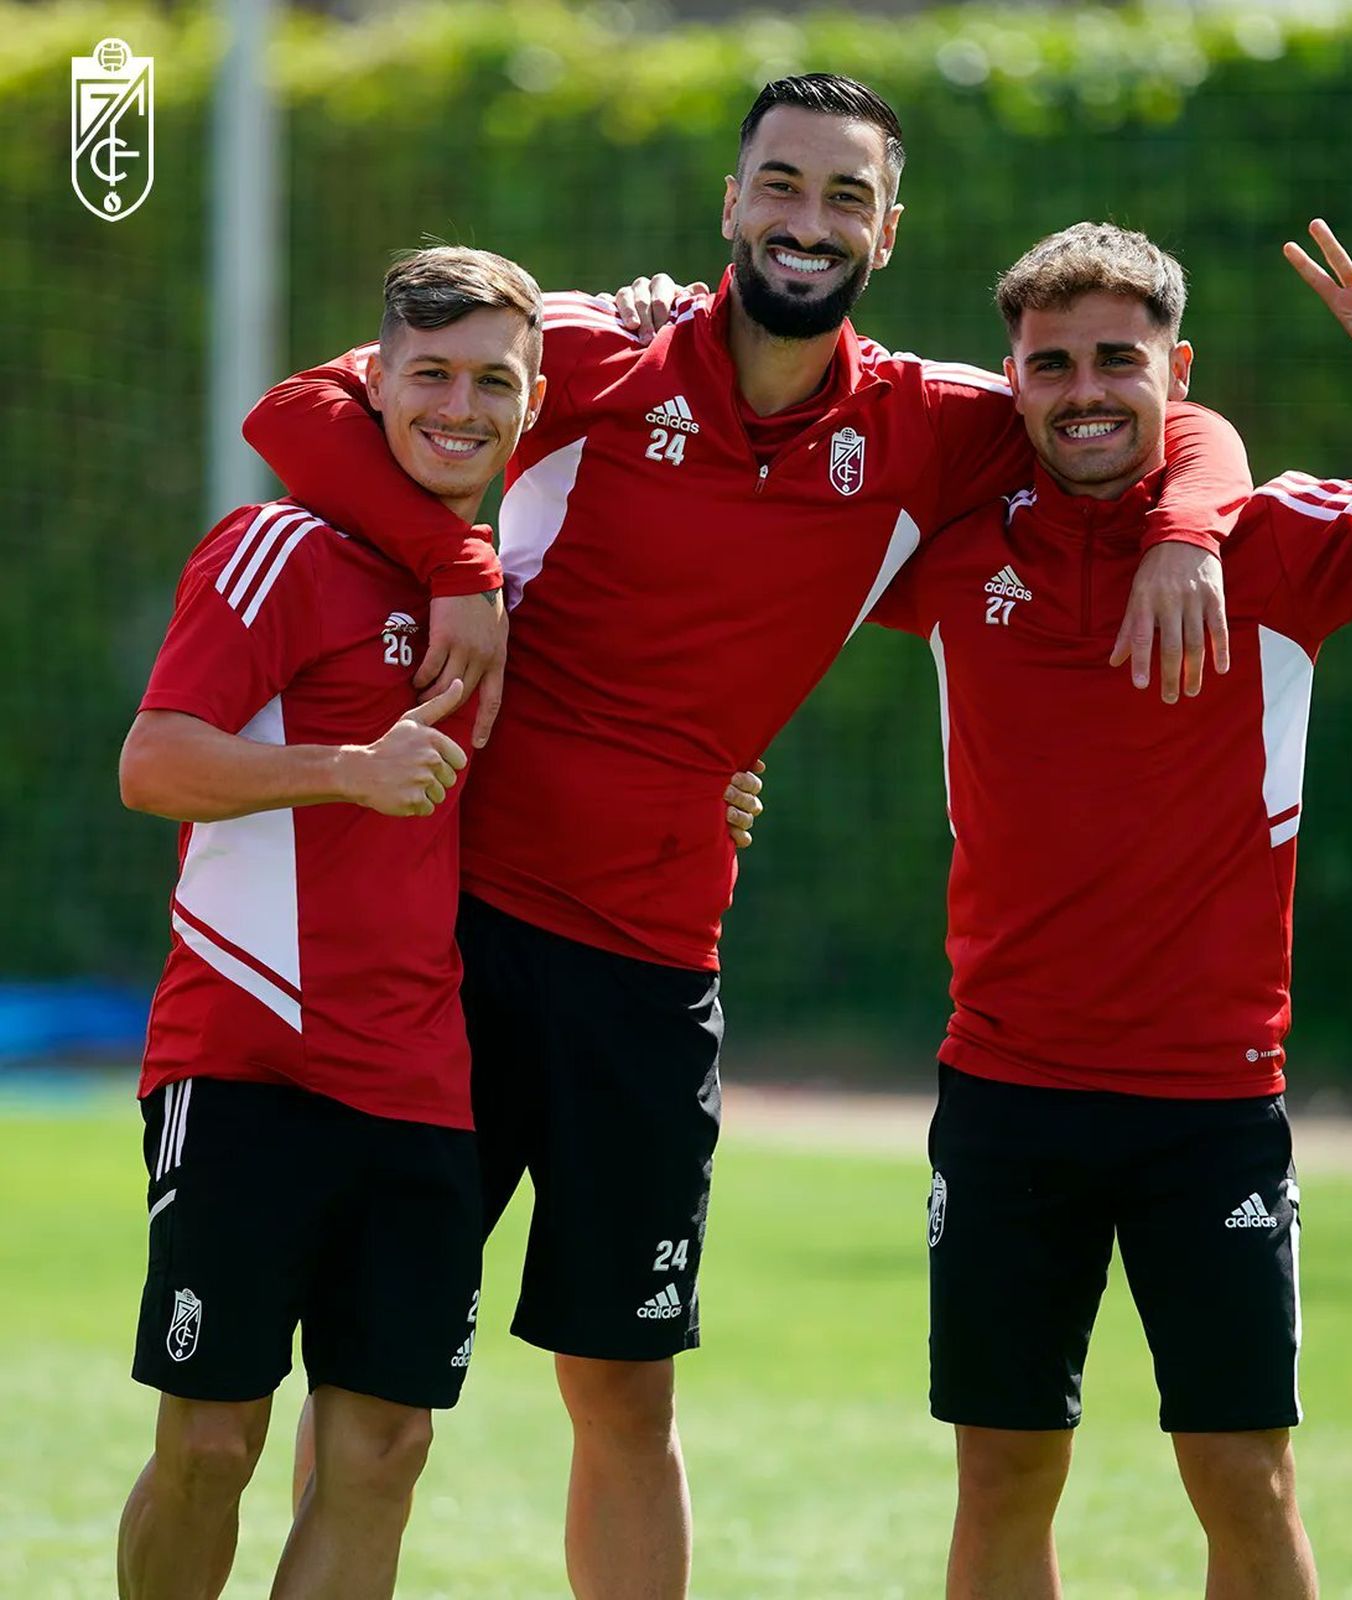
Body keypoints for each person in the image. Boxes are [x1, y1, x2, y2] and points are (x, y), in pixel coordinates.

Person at [241, 76, 1250, 1600]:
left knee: (626, 1394)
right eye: (781, 186)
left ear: (888, 232)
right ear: (731, 204)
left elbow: (1168, 416)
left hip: (653, 972)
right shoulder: (592, 351)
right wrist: (457, 563)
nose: (808, 220)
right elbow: (302, 410)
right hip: (448, 943)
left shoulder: (931, 428)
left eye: (845, 197)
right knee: (375, 1400)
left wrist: (1182, 530)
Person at [866, 219, 1352, 1598]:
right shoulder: (943, 553)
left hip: (1212, 1102)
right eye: (1050, 363)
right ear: (1010, 382)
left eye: (1118, 359)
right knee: (1003, 1475)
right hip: (1006, 1089)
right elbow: (734, 572)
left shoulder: (1281, 545)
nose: (1084, 390)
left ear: (1176, 372)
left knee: (1242, 1478)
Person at [114, 247, 547, 1600]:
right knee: (213, 1437)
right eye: (431, 376)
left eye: (493, 381)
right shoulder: (272, 547)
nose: (460, 408)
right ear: (376, 383)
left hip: (419, 1085)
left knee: (385, 1443)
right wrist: (343, 770)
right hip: (243, 1063)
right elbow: (153, 762)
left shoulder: (499, 593)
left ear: (531, 403)